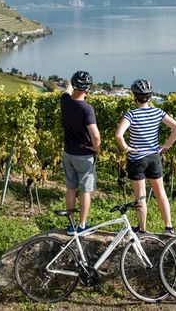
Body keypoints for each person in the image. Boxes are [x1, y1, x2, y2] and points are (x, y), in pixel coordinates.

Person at [115, 79, 176, 235]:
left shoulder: (130, 115)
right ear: (150, 96)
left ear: (135, 96)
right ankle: (169, 227)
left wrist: (126, 148)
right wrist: (167, 145)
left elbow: (118, 135)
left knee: (141, 197)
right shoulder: (158, 112)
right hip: (154, 158)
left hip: (137, 159)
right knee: (160, 193)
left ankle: (142, 229)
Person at [60, 70, 101, 235]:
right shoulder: (87, 109)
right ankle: (82, 226)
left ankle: (71, 226)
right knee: (85, 190)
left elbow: (67, 89)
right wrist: (96, 148)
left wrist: (72, 79)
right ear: (88, 89)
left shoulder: (64, 101)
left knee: (71, 188)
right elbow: (95, 134)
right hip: (84, 156)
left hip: (68, 154)